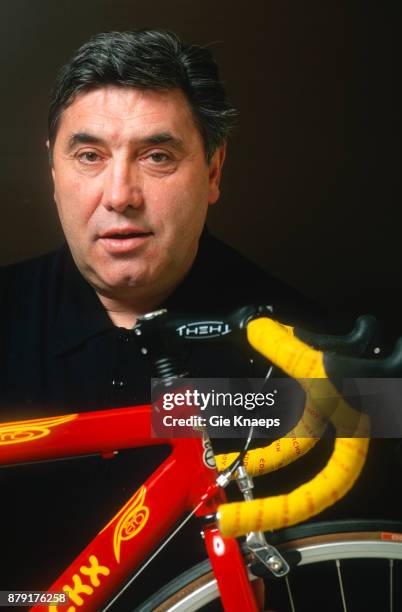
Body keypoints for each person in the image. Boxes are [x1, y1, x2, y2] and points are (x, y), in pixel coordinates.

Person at [0, 29, 318, 606]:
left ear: (214, 170)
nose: (120, 194)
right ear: (53, 172)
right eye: (89, 155)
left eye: (157, 156)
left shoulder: (302, 348)